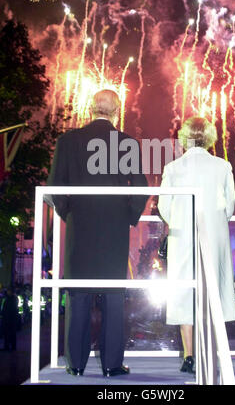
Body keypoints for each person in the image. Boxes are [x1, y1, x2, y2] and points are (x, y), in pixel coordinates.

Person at [48, 89, 148, 377]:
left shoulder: (67, 141)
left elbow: (55, 187)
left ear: (91, 109)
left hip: (80, 228)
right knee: (114, 297)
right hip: (114, 231)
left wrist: (70, 214)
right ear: (117, 111)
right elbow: (140, 189)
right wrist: (127, 216)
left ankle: (76, 364)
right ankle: (112, 365)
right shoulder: (126, 143)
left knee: (78, 295)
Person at [158, 116, 235, 374]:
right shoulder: (222, 166)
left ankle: (189, 355)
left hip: (182, 237)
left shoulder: (173, 168)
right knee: (213, 289)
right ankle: (212, 351)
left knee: (183, 292)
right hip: (213, 237)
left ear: (185, 137)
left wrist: (179, 220)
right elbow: (230, 205)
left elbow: (164, 207)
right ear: (210, 137)